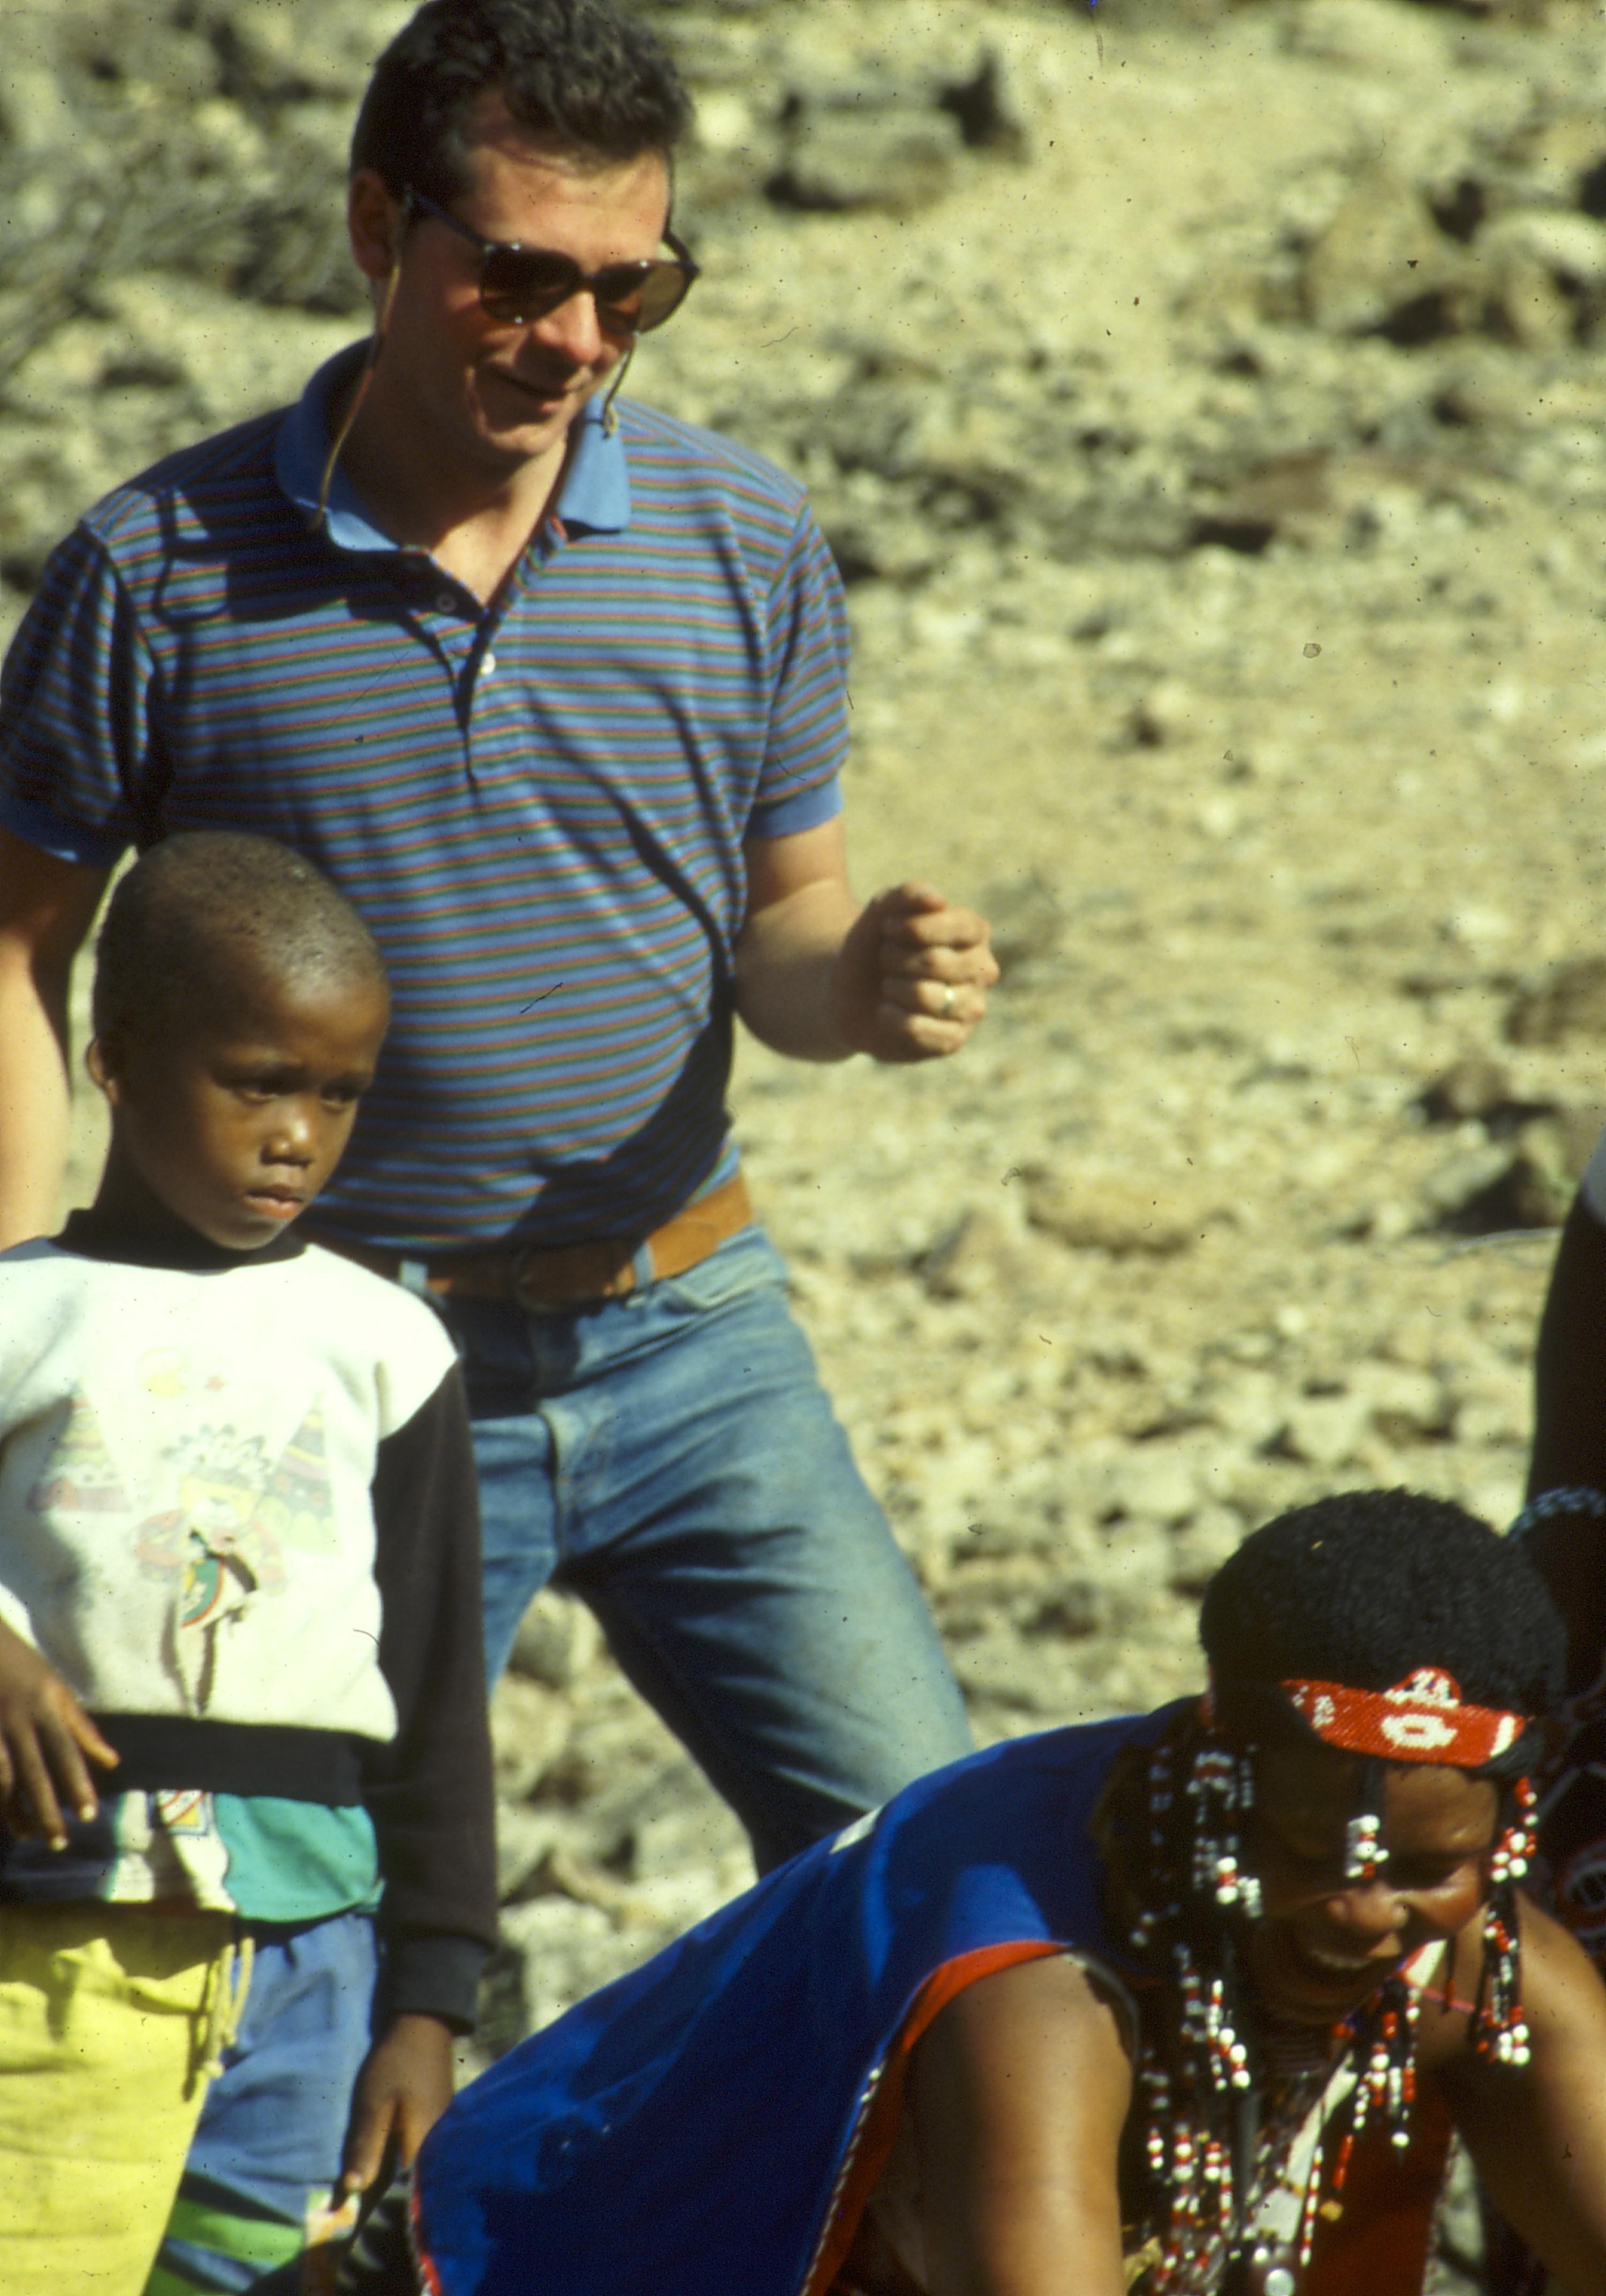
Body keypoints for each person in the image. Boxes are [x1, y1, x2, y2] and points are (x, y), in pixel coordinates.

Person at [0, 0, 992, 1878]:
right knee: (295, 1919)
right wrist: (22, 1335)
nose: (579, 344)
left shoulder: (745, 539)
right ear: (383, 229)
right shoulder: (156, 570)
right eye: (525, 278)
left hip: (695, 1327)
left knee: (922, 1866)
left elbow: (783, 921)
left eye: (636, 291)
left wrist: (856, 982)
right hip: (320, 1358)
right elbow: (12, 955)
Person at [338, 1490, 1606, 2296]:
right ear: (1220, 1776)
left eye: (1428, 1868)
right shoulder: (1039, 1991)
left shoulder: (1499, 1975)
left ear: (1507, 1834)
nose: (1362, 1910)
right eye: (1302, 1846)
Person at [0, 832, 496, 2296]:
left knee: (249, 2276)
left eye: (338, 1095)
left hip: (311, 1957)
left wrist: (429, 2000)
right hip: (56, 1932)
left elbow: (436, 1684)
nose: (299, 1135)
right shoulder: (27, 1315)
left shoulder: (387, 1348)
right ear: (118, 1060)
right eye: (259, 1082)